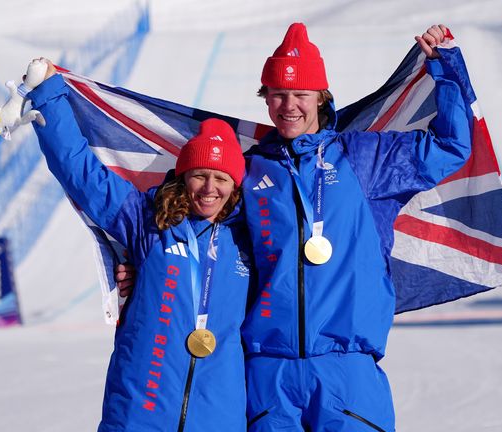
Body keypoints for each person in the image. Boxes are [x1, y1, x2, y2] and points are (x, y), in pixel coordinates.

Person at [119, 23, 473, 431]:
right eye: (278, 94)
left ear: (320, 98)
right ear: (266, 97)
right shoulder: (248, 173)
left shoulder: (362, 159)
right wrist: (143, 267)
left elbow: (451, 146)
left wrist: (445, 69)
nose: (289, 105)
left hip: (347, 370)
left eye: (300, 94)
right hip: (268, 376)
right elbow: (191, 228)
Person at [27, 61, 253, 432]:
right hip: (141, 409)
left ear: (235, 184)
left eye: (220, 178)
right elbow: (81, 172)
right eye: (199, 175)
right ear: (184, 175)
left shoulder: (250, 238)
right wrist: (49, 97)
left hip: (219, 414)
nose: (209, 189)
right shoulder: (146, 220)